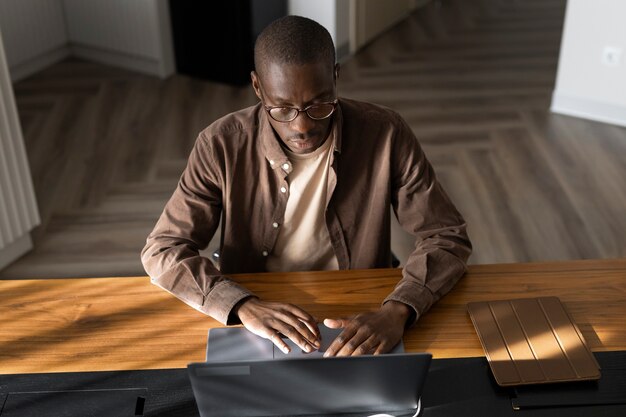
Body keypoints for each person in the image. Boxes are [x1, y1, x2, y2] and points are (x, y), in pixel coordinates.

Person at [141, 15, 471, 357]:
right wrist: (241, 305)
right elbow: (163, 249)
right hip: (257, 312)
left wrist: (398, 311)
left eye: (318, 105)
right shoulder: (220, 144)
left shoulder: (385, 133)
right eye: (282, 109)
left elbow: (446, 236)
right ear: (257, 87)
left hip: (361, 307)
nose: (301, 126)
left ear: (336, 77)